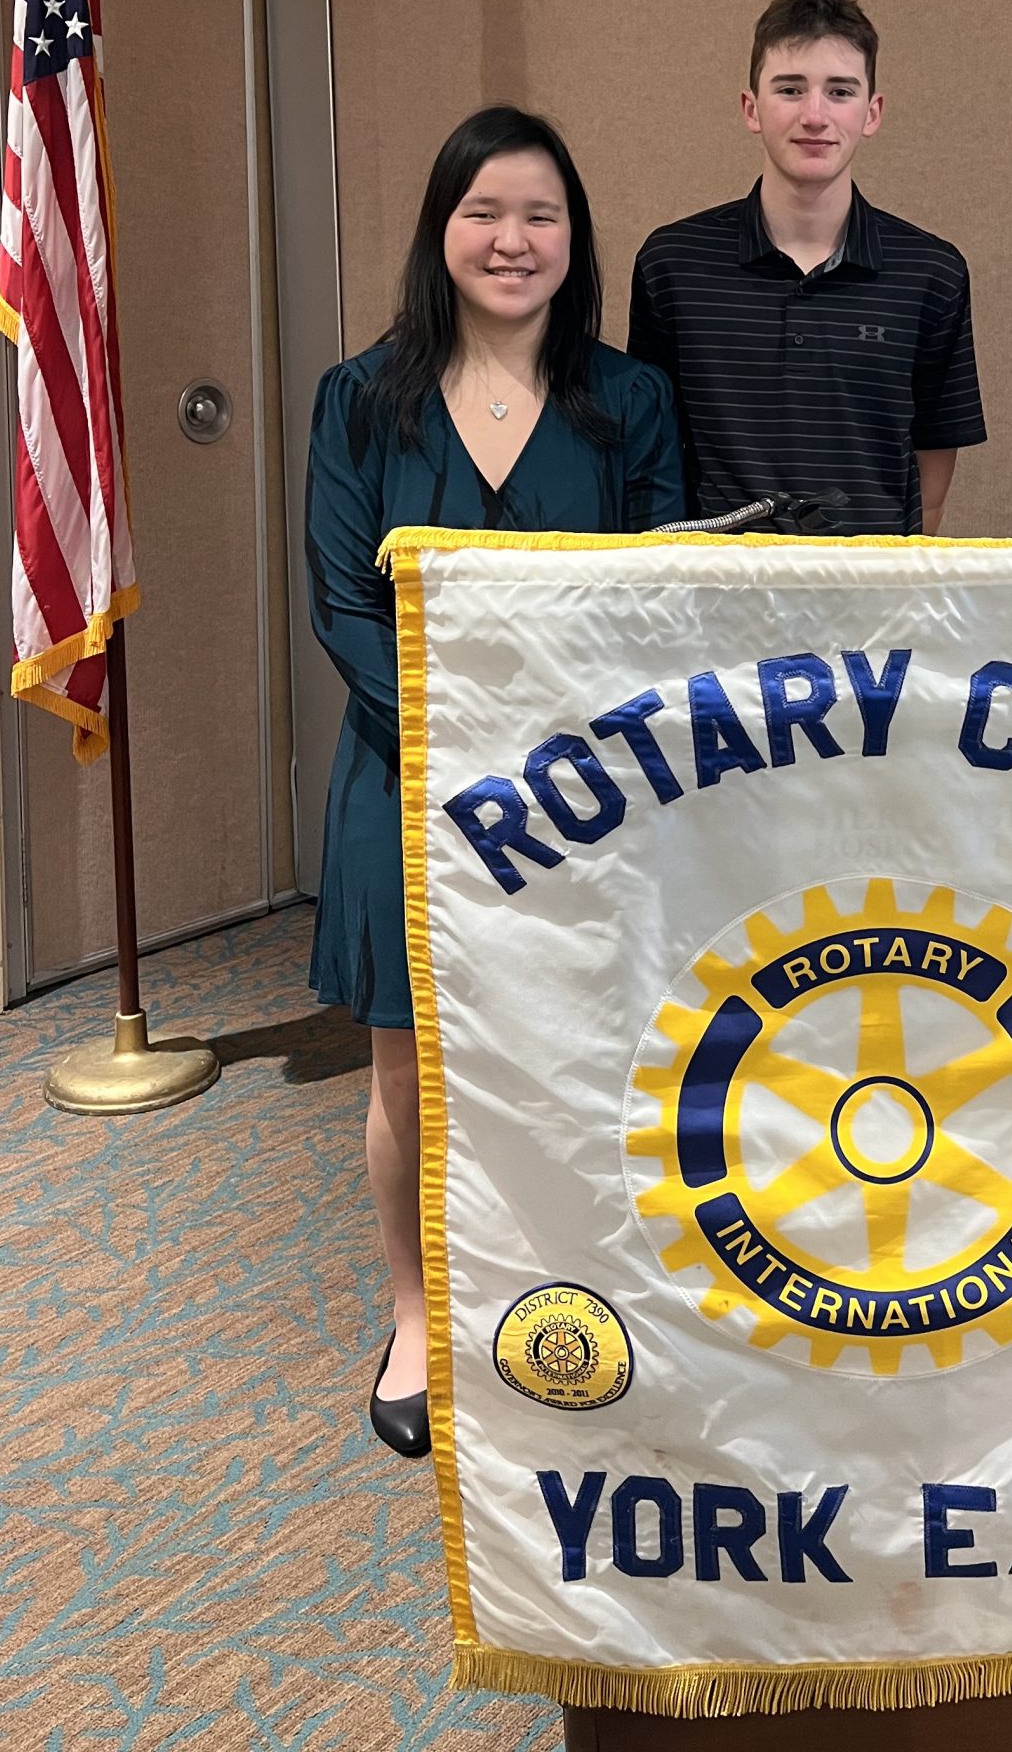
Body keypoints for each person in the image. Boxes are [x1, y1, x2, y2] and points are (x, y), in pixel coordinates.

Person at [304, 105, 683, 1457]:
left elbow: (656, 599)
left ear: (574, 241)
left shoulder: (631, 401)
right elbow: (345, 607)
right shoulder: (360, 399)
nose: (511, 240)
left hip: (592, 796)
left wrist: (555, 754)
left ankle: (576, 1304)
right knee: (406, 1071)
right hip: (403, 780)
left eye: (541, 215)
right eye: (484, 212)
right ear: (441, 230)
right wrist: (469, 739)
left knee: (584, 1062)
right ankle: (416, 1312)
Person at [628, 0, 985, 535]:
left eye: (840, 91)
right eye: (790, 89)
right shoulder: (673, 265)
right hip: (715, 598)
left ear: (872, 112)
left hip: (871, 601)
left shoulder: (931, 274)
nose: (814, 115)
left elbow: (932, 470)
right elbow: (653, 451)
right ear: (752, 108)